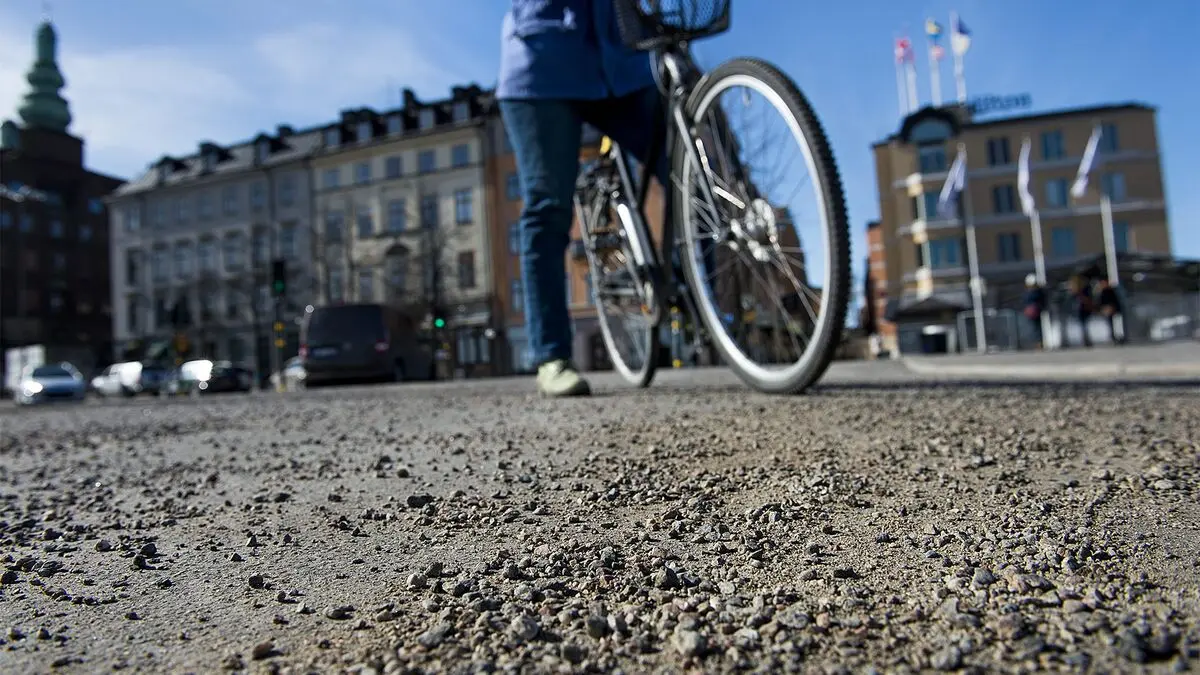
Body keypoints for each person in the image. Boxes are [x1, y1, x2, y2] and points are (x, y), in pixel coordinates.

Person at [497, 0, 668, 397]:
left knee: (685, 168)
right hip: (542, 66)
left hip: (623, 62)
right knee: (547, 206)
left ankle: (707, 300)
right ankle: (552, 354)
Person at [1021, 274, 1046, 350]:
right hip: (1034, 312)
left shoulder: (1031, 293)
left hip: (1034, 312)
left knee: (1036, 329)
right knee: (1036, 329)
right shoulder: (1037, 292)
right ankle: (1038, 343)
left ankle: (1038, 343)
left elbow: (1025, 301)